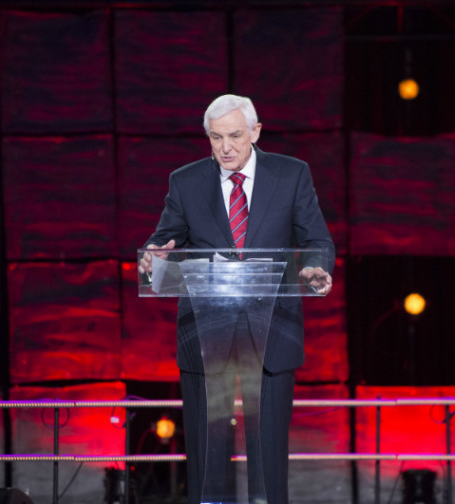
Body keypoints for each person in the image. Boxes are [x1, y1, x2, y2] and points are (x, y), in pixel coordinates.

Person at [139, 94, 334, 504]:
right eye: (215, 138)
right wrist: (156, 255)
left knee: (269, 456)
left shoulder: (291, 174)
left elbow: (316, 240)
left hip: (273, 330)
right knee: (207, 457)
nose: (225, 147)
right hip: (206, 332)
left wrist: (315, 267)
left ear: (255, 132)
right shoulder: (186, 181)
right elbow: (165, 239)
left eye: (234, 136)